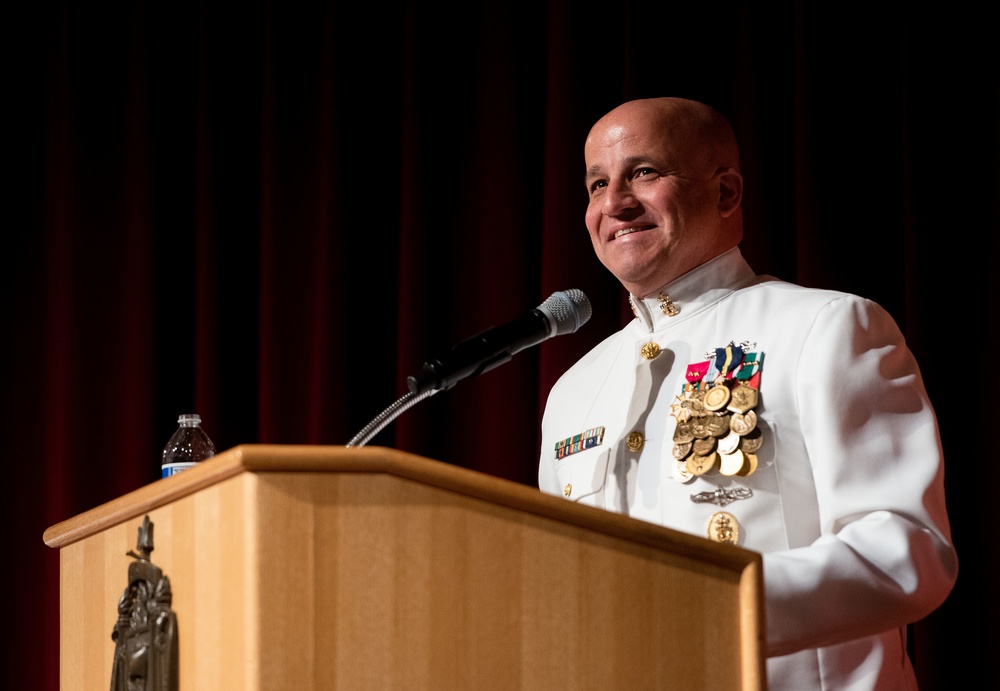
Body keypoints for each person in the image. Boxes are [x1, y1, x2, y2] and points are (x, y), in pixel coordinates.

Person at [538, 97, 958, 690]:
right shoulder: (574, 389)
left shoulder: (825, 327)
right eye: (597, 183)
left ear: (727, 193)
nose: (615, 203)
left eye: (645, 173)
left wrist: (705, 601)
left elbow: (906, 552)